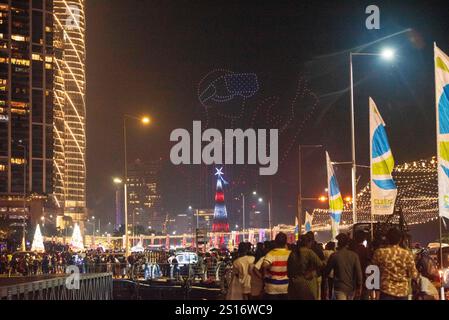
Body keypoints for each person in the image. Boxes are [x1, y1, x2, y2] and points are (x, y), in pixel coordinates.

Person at [371, 228, 418, 300]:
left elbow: (373, 271)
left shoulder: (380, 252)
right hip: (403, 292)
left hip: (386, 290)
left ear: (387, 238)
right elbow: (414, 274)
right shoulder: (407, 254)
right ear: (400, 240)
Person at [324, 233, 363, 300]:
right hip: (351, 288)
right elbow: (359, 273)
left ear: (338, 243)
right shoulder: (354, 255)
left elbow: (327, 271)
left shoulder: (334, 256)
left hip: (339, 287)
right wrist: (359, 286)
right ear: (347, 244)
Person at [287, 236, 324, 300]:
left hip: (294, 284)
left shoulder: (293, 253)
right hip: (307, 284)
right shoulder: (309, 252)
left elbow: (289, 269)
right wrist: (313, 272)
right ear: (307, 243)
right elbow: (320, 265)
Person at [261, 233, 291, 300]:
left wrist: (266, 274)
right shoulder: (290, 254)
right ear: (285, 242)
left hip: (272, 287)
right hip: (286, 287)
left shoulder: (271, 254)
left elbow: (264, 265)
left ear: (275, 242)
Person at [349, 230, 371, 300]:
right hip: (365, 279)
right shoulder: (367, 251)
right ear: (364, 239)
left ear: (354, 238)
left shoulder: (351, 252)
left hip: (353, 279)